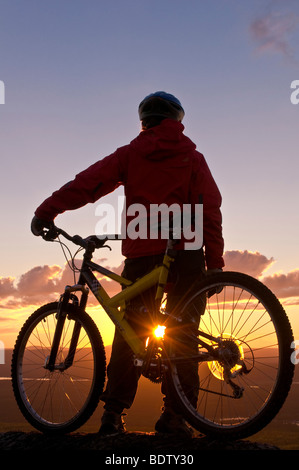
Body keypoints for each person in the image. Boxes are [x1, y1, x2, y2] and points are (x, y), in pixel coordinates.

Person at [31, 91, 224, 437]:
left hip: (143, 255)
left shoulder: (131, 155)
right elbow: (210, 211)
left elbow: (87, 184)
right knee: (184, 335)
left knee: (129, 330)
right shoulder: (193, 158)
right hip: (188, 253)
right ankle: (177, 418)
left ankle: (112, 414)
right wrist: (217, 262)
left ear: (144, 121)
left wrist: (47, 210)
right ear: (177, 121)